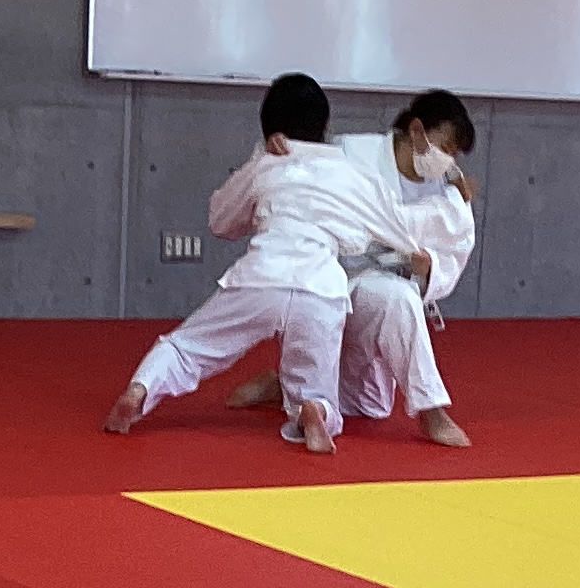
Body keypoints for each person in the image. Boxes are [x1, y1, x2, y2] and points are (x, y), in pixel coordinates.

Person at [103, 73, 401, 454]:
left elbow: (221, 221)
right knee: (316, 385)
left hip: (262, 276)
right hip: (322, 288)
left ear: (268, 126)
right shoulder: (351, 172)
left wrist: (260, 158)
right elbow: (393, 228)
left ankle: (141, 388)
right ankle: (313, 409)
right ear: (324, 124)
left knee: (188, 347)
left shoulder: (267, 164)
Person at [229, 89, 480, 446]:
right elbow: (303, 174)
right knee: (397, 298)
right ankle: (432, 412)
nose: (447, 159)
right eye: (445, 146)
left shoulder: (448, 189)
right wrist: (276, 149)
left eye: (453, 153)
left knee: (371, 405)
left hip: (378, 291)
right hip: (330, 280)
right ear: (416, 130)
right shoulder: (353, 152)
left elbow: (456, 246)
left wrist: (430, 267)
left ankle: (285, 386)